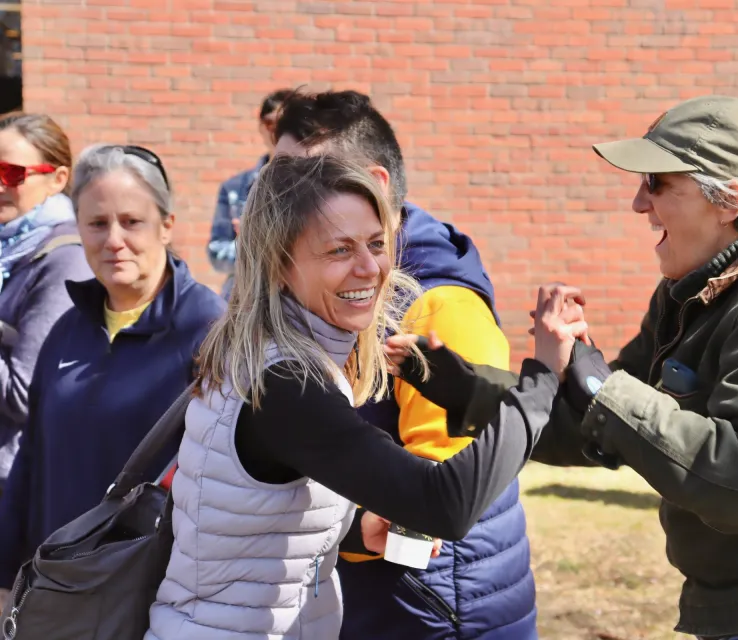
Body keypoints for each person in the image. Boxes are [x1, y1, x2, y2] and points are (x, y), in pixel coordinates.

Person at [388, 95, 738, 640]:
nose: (638, 203)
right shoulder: (695, 288)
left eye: (657, 184)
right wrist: (468, 391)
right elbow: (603, 424)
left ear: (729, 201)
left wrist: (598, 383)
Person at [143, 154, 565, 640]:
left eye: (377, 244)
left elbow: (242, 517)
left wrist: (355, 526)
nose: (371, 269)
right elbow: (443, 505)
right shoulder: (286, 383)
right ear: (279, 264)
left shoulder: (259, 351)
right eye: (339, 250)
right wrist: (541, 383)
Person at [272, 89, 537, 639]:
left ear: (376, 185)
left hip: (433, 609)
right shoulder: (326, 285)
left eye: (298, 181)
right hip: (370, 597)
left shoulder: (440, 306)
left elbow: (438, 511)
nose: (276, 198)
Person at [0, 144, 225, 610]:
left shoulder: (207, 327)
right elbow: (31, 460)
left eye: (132, 222)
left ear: (167, 226)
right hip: (58, 592)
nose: (114, 239)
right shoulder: (68, 329)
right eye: (97, 224)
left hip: (158, 599)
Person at [0, 113, 91, 497]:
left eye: (12, 173)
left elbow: (24, 394)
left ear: (58, 178)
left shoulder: (62, 258)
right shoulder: (9, 249)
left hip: (14, 482)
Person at [207, 88, 293, 298]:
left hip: (296, 302)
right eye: (270, 122)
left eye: (286, 122)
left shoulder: (316, 185)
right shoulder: (236, 188)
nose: (276, 131)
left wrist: (255, 243)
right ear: (261, 127)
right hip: (244, 301)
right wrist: (250, 247)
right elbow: (216, 254)